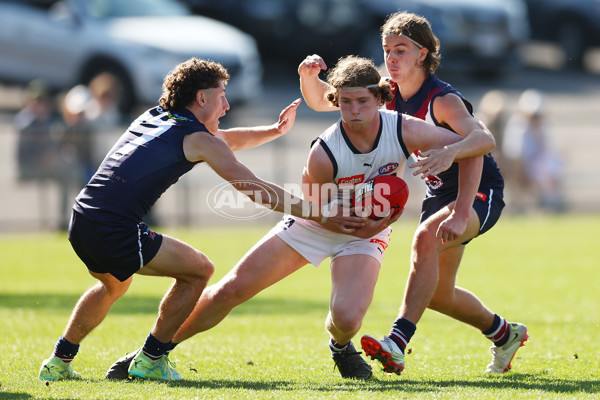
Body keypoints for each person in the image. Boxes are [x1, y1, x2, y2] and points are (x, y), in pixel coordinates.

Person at [106, 56, 482, 381]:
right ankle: (151, 352)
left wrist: (415, 215)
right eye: (345, 102)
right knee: (231, 290)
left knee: (348, 319)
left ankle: (340, 346)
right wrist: (343, 218)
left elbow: (474, 146)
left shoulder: (405, 128)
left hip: (365, 232)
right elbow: (312, 206)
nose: (353, 111)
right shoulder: (325, 152)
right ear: (335, 102)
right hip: (316, 220)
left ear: (381, 99)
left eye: (363, 102)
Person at [38, 57, 364, 382]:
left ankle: (58, 360)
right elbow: (254, 188)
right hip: (114, 227)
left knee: (112, 286)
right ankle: (152, 358)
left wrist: (274, 130)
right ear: (201, 98)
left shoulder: (155, 116)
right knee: (199, 271)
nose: (226, 105)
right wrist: (320, 213)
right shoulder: (196, 139)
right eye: (221, 95)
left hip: (82, 218)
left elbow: (224, 142)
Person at [298, 11, 527, 375]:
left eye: (401, 49)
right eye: (387, 49)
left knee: (425, 238)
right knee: (436, 294)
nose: (391, 57)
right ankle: (504, 334)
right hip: (439, 196)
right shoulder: (386, 91)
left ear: (422, 54)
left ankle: (397, 342)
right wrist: (309, 78)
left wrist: (457, 187)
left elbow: (484, 141)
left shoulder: (442, 100)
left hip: (479, 191)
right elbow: (324, 101)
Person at [502, 89, 565, 213]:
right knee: (518, 167)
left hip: (539, 166)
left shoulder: (545, 126)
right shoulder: (518, 126)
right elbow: (514, 153)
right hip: (521, 165)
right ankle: (519, 202)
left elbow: (548, 151)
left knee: (551, 165)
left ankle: (550, 200)